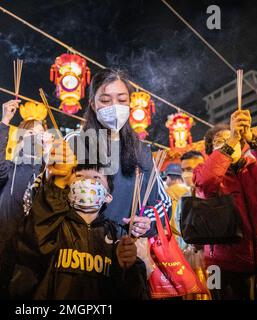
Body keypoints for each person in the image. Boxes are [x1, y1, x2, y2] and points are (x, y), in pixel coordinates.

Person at [54, 69, 172, 239]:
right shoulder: (74, 142)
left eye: (122, 99)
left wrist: (148, 221)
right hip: (77, 249)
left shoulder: (141, 151)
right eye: (105, 100)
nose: (114, 107)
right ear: (93, 105)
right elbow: (49, 194)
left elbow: (164, 202)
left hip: (124, 252)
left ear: (130, 103)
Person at [194, 109, 257, 300]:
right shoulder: (202, 171)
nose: (227, 142)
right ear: (211, 151)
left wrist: (249, 135)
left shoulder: (255, 168)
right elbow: (206, 183)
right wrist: (230, 142)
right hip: (222, 267)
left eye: (232, 139)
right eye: (219, 142)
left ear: (242, 145)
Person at [29, 159, 149, 299]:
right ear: (68, 188)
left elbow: (135, 292)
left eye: (96, 177)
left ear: (108, 197)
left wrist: (129, 267)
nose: (87, 181)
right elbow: (29, 252)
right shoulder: (52, 226)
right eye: (79, 176)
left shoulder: (118, 236)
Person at [0, 99, 53, 299]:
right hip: (1, 249)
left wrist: (49, 154)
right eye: (28, 134)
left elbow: (56, 193)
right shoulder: (8, 170)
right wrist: (5, 120)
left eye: (38, 134)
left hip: (34, 256)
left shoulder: (47, 171)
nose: (33, 138)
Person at [163, 163, 190, 236]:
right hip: (189, 236)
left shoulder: (166, 194)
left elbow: (168, 221)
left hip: (174, 237)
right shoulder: (190, 192)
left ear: (169, 177)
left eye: (166, 178)